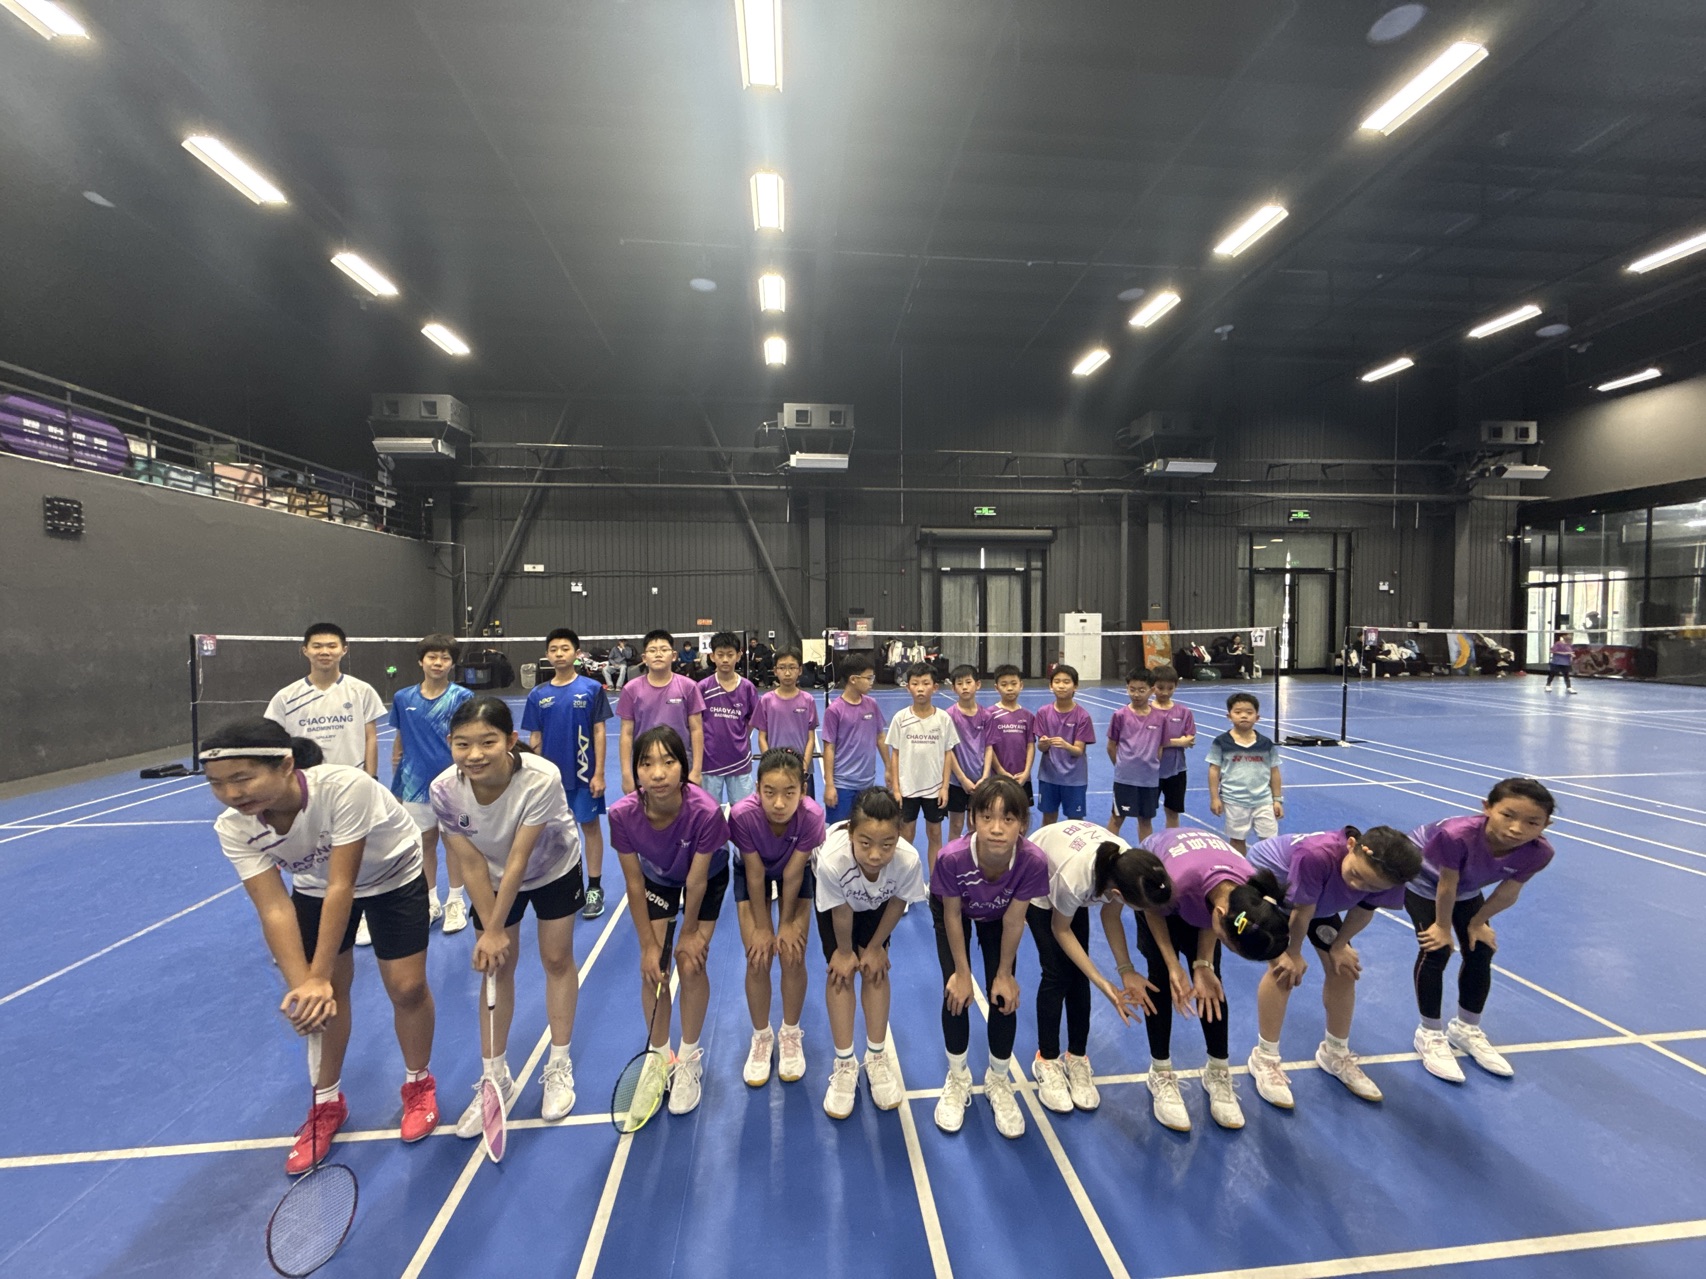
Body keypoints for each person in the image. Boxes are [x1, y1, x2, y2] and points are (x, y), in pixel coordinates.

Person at [202, 719, 438, 1173]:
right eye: (217, 784)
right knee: (322, 1001)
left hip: (392, 875)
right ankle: (326, 1103)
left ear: (285, 765)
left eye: (242, 778)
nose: (231, 794)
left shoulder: (345, 787)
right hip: (313, 888)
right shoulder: (234, 827)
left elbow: (342, 885)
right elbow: (274, 908)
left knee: (407, 987)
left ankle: (418, 1083)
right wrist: (305, 988)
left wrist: (318, 976)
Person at [433, 697, 585, 1129]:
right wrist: (490, 931)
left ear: (510, 740)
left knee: (556, 959)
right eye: (463, 744)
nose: (475, 754)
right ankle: (494, 1077)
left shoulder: (541, 777)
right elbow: (471, 862)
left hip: (552, 866)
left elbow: (520, 858)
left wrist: (495, 926)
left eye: (488, 742)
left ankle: (558, 1064)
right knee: (496, 968)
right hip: (492, 875)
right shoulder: (444, 790)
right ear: (450, 743)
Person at [1244, 826, 1423, 1110]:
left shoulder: (1390, 874)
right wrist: (1292, 953)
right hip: (1271, 889)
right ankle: (1264, 1058)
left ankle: (1334, 1052)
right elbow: (1302, 912)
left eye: (1372, 886)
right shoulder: (1315, 855)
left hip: (1316, 898)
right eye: (1356, 874)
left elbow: (1363, 911)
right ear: (1351, 845)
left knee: (1344, 970)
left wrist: (1339, 946)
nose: (1358, 886)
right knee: (1284, 971)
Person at [1135, 827, 1290, 1132]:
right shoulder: (1179, 882)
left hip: (1203, 890)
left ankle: (1217, 1070)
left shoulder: (1245, 893)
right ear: (1221, 915)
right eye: (1230, 945)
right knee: (1161, 979)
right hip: (1156, 886)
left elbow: (1211, 915)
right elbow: (1153, 911)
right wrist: (1173, 965)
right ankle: (1160, 1072)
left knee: (1211, 981)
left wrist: (1203, 964)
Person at [609, 726, 730, 1116]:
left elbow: (696, 881)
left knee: (690, 963)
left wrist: (689, 932)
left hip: (706, 877)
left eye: (668, 762)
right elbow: (633, 882)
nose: (658, 773)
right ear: (636, 770)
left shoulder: (706, 812)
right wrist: (648, 946)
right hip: (657, 878)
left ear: (684, 767)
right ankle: (659, 1059)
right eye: (647, 764)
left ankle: (689, 1058)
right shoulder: (622, 815)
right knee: (653, 970)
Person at [1407, 778, 1558, 1082]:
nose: (1517, 829)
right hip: (1422, 879)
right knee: (1436, 949)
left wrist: (1477, 923)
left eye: (1532, 822)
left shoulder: (1539, 852)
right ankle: (1429, 1033)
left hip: (1465, 887)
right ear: (1487, 808)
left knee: (1481, 948)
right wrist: (1442, 927)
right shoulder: (1456, 835)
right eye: (1508, 815)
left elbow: (1507, 892)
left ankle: (1465, 1028)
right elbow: (1446, 885)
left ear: (1546, 825)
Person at [1027, 818, 1173, 1114]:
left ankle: (1077, 1056)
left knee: (1078, 977)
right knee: (1057, 974)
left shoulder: (1128, 868)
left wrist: (1126, 970)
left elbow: (1111, 916)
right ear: (1118, 894)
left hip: (1077, 876)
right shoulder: (1076, 879)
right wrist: (1104, 984)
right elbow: (1060, 930)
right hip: (1040, 879)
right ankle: (1047, 1060)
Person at [930, 777, 1049, 1139]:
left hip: (999, 915)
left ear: (1022, 824)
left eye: (1008, 819)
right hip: (956, 911)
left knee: (1003, 997)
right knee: (955, 993)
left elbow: (1015, 919)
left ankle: (998, 1079)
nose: (997, 828)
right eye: (987, 818)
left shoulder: (1032, 861)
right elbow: (952, 915)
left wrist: (1004, 974)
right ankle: (958, 1077)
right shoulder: (951, 858)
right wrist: (962, 973)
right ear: (973, 820)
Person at [815, 787, 927, 1118]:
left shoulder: (908, 861)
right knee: (841, 974)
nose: (875, 855)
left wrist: (876, 947)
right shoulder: (832, 860)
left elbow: (898, 902)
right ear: (851, 833)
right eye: (865, 843)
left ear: (899, 837)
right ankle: (844, 1062)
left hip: (879, 903)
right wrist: (845, 953)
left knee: (875, 970)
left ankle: (876, 1057)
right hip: (839, 904)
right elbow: (841, 913)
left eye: (886, 845)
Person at [730, 748, 827, 1088]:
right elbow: (755, 874)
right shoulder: (742, 816)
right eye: (769, 792)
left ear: (803, 790)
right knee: (757, 957)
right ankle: (761, 1036)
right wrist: (762, 927)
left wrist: (785, 924)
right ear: (757, 789)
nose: (779, 803)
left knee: (792, 953)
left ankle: (790, 1032)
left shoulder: (812, 816)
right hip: (752, 871)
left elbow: (793, 873)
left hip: (793, 872)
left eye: (789, 792)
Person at [521, 629, 614, 920]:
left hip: (584, 774)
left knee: (590, 828)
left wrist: (599, 773)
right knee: (554, 834)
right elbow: (535, 737)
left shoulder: (592, 689)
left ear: (576, 653)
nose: (559, 654)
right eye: (554, 649)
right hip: (551, 780)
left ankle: (594, 887)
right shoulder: (538, 695)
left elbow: (599, 731)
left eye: (565, 648)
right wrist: (533, 777)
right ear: (547, 655)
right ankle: (565, 887)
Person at [389, 633, 473, 932]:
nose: (438, 663)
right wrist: (397, 774)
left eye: (445, 658)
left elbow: (469, 738)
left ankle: (455, 901)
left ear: (452, 664)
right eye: (432, 657)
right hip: (414, 784)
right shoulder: (403, 698)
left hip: (453, 784)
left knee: (455, 843)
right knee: (423, 844)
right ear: (421, 661)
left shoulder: (462, 697)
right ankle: (429, 901)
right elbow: (400, 738)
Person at [265, 622, 385, 775]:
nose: (324, 652)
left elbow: (370, 738)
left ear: (344, 650)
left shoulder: (362, 691)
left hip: (352, 777)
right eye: (317, 646)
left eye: (332, 646)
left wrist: (371, 777)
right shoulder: (285, 697)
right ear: (305, 650)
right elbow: (276, 743)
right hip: (305, 779)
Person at [886, 666, 961, 871]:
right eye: (915, 684)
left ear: (935, 687)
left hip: (934, 789)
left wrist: (945, 787)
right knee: (906, 834)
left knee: (935, 834)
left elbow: (948, 754)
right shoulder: (900, 718)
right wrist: (897, 789)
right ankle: (904, 878)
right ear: (907, 687)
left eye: (926, 683)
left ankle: (936, 880)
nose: (920, 688)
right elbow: (895, 754)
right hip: (907, 788)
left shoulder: (943, 719)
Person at [617, 629, 706, 792]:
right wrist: (626, 775)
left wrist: (696, 770)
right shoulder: (631, 689)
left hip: (681, 765)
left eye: (664, 650)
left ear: (673, 656)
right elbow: (626, 734)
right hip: (645, 766)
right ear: (644, 658)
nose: (658, 654)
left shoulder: (689, 687)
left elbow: (696, 730)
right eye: (652, 650)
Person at [1205, 692, 1283, 852]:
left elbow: (1274, 772)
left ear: (1257, 717)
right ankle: (1240, 867)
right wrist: (1215, 798)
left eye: (1249, 712)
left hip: (1263, 800)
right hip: (1234, 800)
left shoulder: (1266, 744)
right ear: (1229, 716)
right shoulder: (1221, 742)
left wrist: (1277, 800)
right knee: (1237, 839)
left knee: (1270, 841)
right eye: (1238, 712)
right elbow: (1214, 770)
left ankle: (1268, 867)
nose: (1244, 716)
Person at [820, 651, 888, 826]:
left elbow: (880, 737)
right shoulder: (834, 710)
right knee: (840, 831)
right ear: (853, 679)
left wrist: (889, 768)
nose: (872, 682)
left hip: (867, 783)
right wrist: (830, 785)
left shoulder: (871, 704)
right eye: (868, 678)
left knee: (864, 829)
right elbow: (829, 748)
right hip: (842, 785)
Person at [698, 630, 761, 808]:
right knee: (709, 813)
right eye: (720, 655)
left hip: (739, 761)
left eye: (730, 654)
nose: (725, 659)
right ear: (712, 656)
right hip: (709, 762)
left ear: (739, 656)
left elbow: (753, 719)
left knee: (744, 812)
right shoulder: (703, 688)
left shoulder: (747, 688)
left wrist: (740, 737)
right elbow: (695, 723)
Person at [1106, 668, 1166, 841]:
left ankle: (1145, 852)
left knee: (1145, 820)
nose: (1136, 694)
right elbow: (1111, 746)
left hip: (1149, 779)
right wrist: (1122, 766)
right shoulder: (1120, 715)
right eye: (1132, 690)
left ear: (1152, 690)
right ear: (1127, 688)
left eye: (1141, 690)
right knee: (1117, 817)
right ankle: (1107, 853)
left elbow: (1160, 747)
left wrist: (1151, 766)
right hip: (1125, 778)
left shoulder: (1160, 718)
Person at [1034, 664, 1095, 826]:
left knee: (1075, 821)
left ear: (1075, 686)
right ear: (1051, 685)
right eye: (1057, 681)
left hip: (1074, 778)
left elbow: (1078, 750)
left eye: (1066, 682)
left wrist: (1065, 745)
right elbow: (1041, 748)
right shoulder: (1043, 713)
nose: (1061, 686)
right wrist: (1043, 743)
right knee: (1048, 818)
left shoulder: (1083, 716)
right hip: (1049, 776)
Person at [754, 648, 820, 794]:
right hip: (775, 771)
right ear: (775, 671)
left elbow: (811, 739)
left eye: (792, 667)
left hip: (801, 771)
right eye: (782, 668)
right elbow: (762, 738)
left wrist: (803, 768)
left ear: (800, 670)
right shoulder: (766, 700)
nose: (787, 673)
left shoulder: (808, 700)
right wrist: (770, 765)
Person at [945, 664, 995, 842]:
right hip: (957, 782)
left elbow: (989, 747)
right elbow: (948, 750)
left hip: (981, 780)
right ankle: (952, 856)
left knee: (975, 824)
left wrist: (985, 776)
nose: (964, 687)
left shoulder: (986, 716)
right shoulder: (949, 716)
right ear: (953, 688)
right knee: (956, 825)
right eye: (959, 684)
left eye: (968, 682)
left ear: (978, 684)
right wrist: (962, 779)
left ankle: (974, 856)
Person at [1150, 665, 1195, 828]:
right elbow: (1148, 741)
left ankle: (1171, 842)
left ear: (1176, 686)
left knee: (1173, 812)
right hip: (1150, 770)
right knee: (1146, 814)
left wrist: (1165, 742)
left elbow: (1190, 739)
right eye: (1160, 687)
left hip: (1177, 770)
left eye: (1170, 688)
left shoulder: (1184, 712)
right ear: (1152, 686)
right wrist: (1177, 741)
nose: (1165, 692)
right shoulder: (1146, 711)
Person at [987, 665, 1036, 802]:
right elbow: (988, 747)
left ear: (1021, 685)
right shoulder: (989, 714)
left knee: (1021, 812)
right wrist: (1000, 771)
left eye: (1014, 684)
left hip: (1022, 777)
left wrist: (1026, 772)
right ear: (996, 687)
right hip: (997, 778)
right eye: (1004, 684)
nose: (1009, 688)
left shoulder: (1028, 716)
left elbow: (1030, 746)